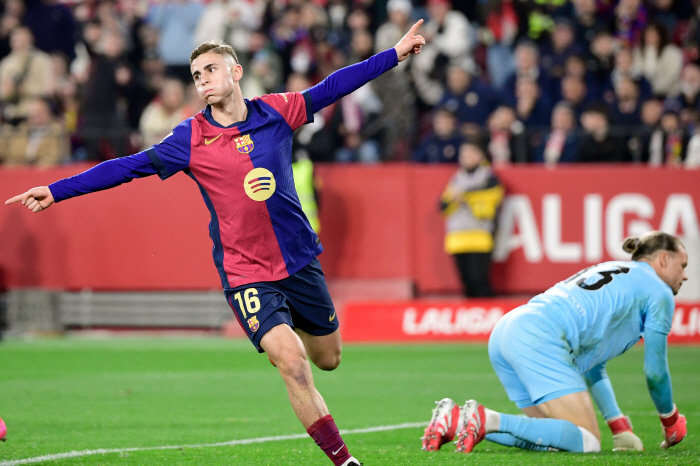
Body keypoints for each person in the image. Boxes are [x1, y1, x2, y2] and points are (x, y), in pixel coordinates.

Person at [5, 21, 427, 466]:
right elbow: (126, 167)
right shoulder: (189, 138)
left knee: (328, 359)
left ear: (236, 71)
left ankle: (284, 327)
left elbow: (334, 86)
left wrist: (393, 54)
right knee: (293, 362)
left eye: (210, 70)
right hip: (245, 271)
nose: (203, 80)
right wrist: (57, 190)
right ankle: (344, 460)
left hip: (299, 260)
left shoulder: (278, 111)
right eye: (196, 75)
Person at [422, 231, 688, 454]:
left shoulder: (615, 269)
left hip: (509, 328)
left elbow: (594, 366)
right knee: (588, 441)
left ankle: (457, 421)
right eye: (682, 265)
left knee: (557, 438)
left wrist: (619, 426)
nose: (685, 275)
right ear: (663, 259)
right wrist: (671, 419)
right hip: (541, 336)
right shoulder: (659, 291)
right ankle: (487, 418)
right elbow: (655, 373)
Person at [439, 141, 503, 297]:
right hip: (457, 237)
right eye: (463, 154)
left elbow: (489, 207)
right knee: (466, 281)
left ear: (480, 155)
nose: (465, 158)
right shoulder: (456, 179)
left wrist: (465, 197)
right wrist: (457, 198)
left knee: (479, 279)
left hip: (479, 236)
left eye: (470, 153)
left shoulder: (489, 179)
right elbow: (443, 206)